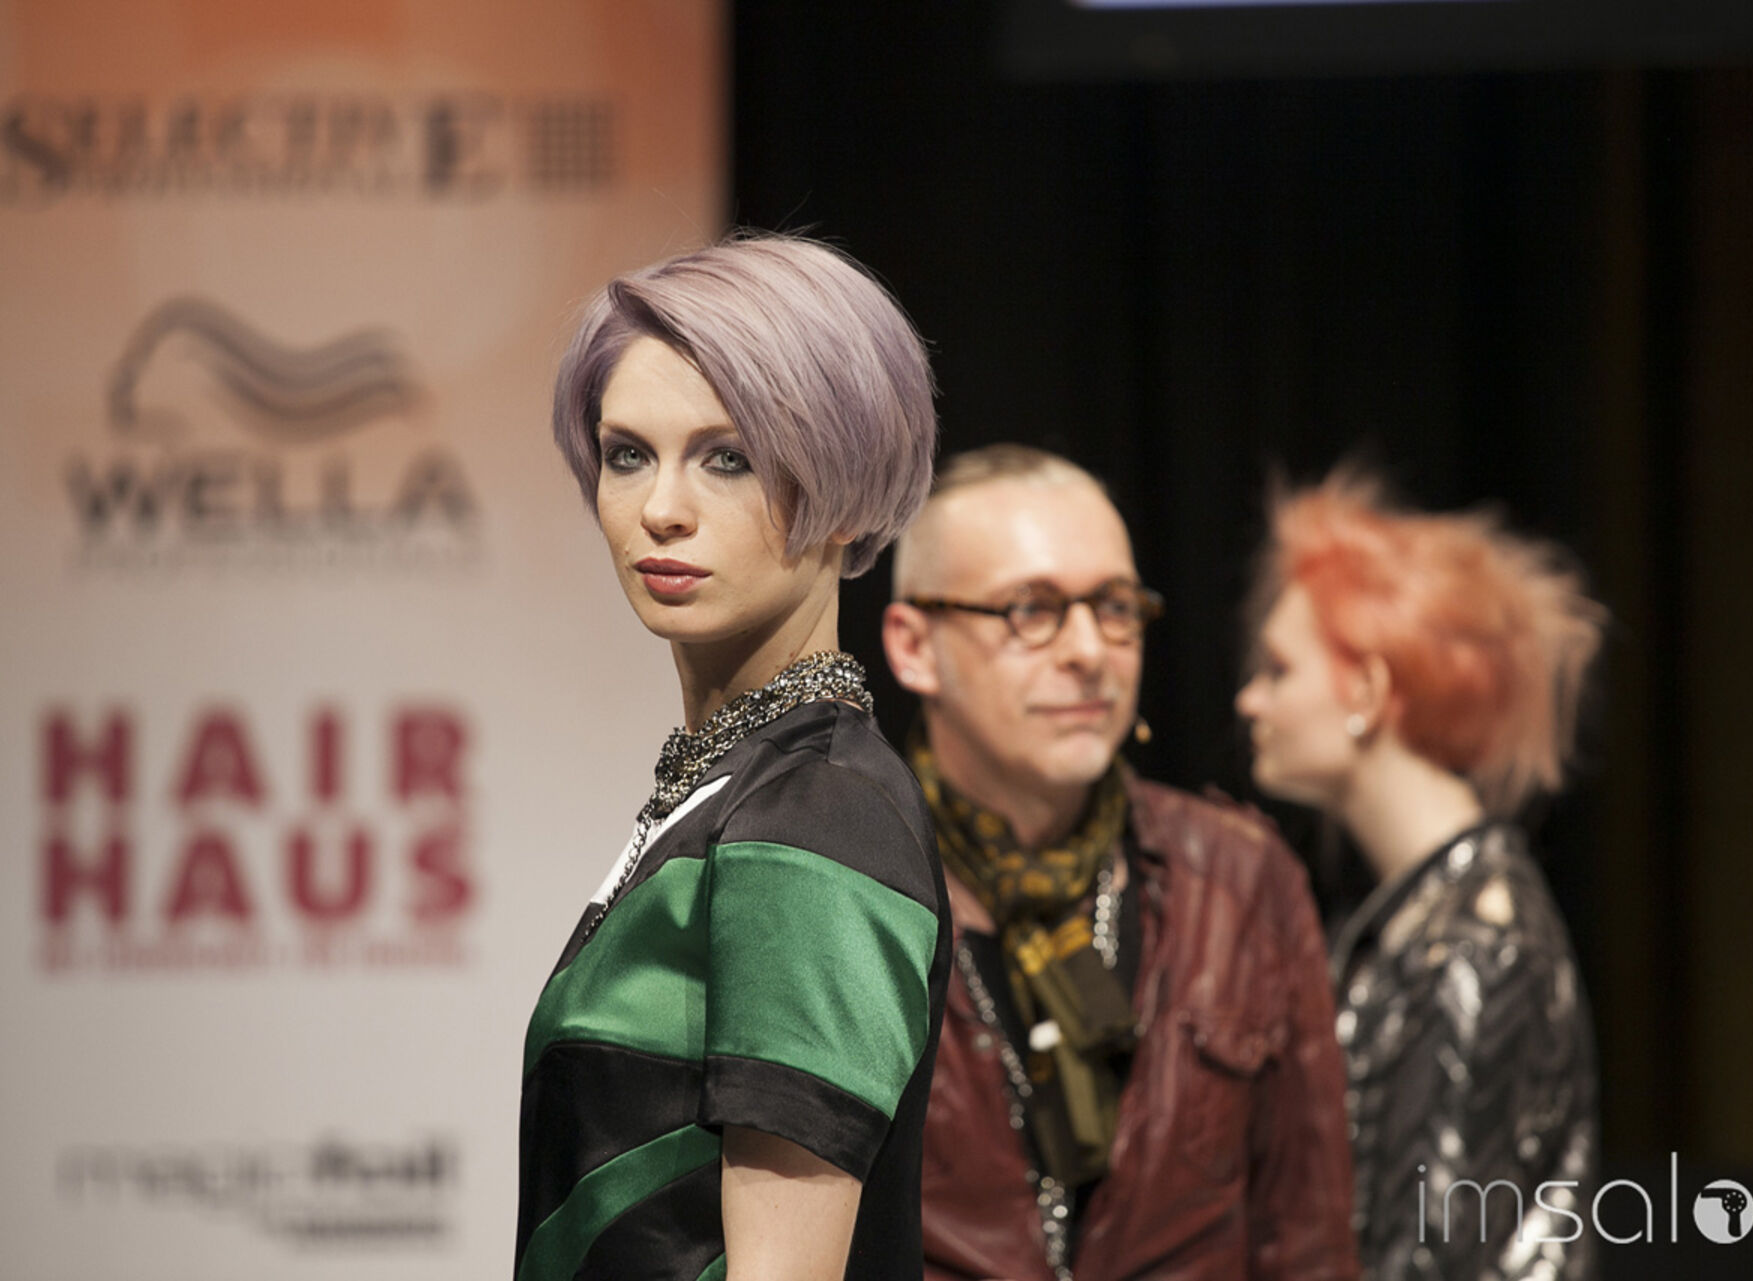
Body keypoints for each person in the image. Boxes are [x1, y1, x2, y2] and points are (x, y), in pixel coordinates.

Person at [516, 233, 949, 1281]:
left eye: (728, 458)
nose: (660, 508)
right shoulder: (743, 784)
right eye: (628, 454)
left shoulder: (817, 811)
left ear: (844, 479)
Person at [881, 444, 1359, 1281]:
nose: (1088, 650)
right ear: (914, 645)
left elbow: (1307, 1242)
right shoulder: (856, 884)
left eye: (1113, 607)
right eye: (1030, 609)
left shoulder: (1238, 879)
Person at [1234, 470, 1604, 1281]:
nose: (1250, 699)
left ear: (1367, 691)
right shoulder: (1422, 920)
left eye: (1279, 669)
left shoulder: (1478, 943)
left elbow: (1428, 1258)